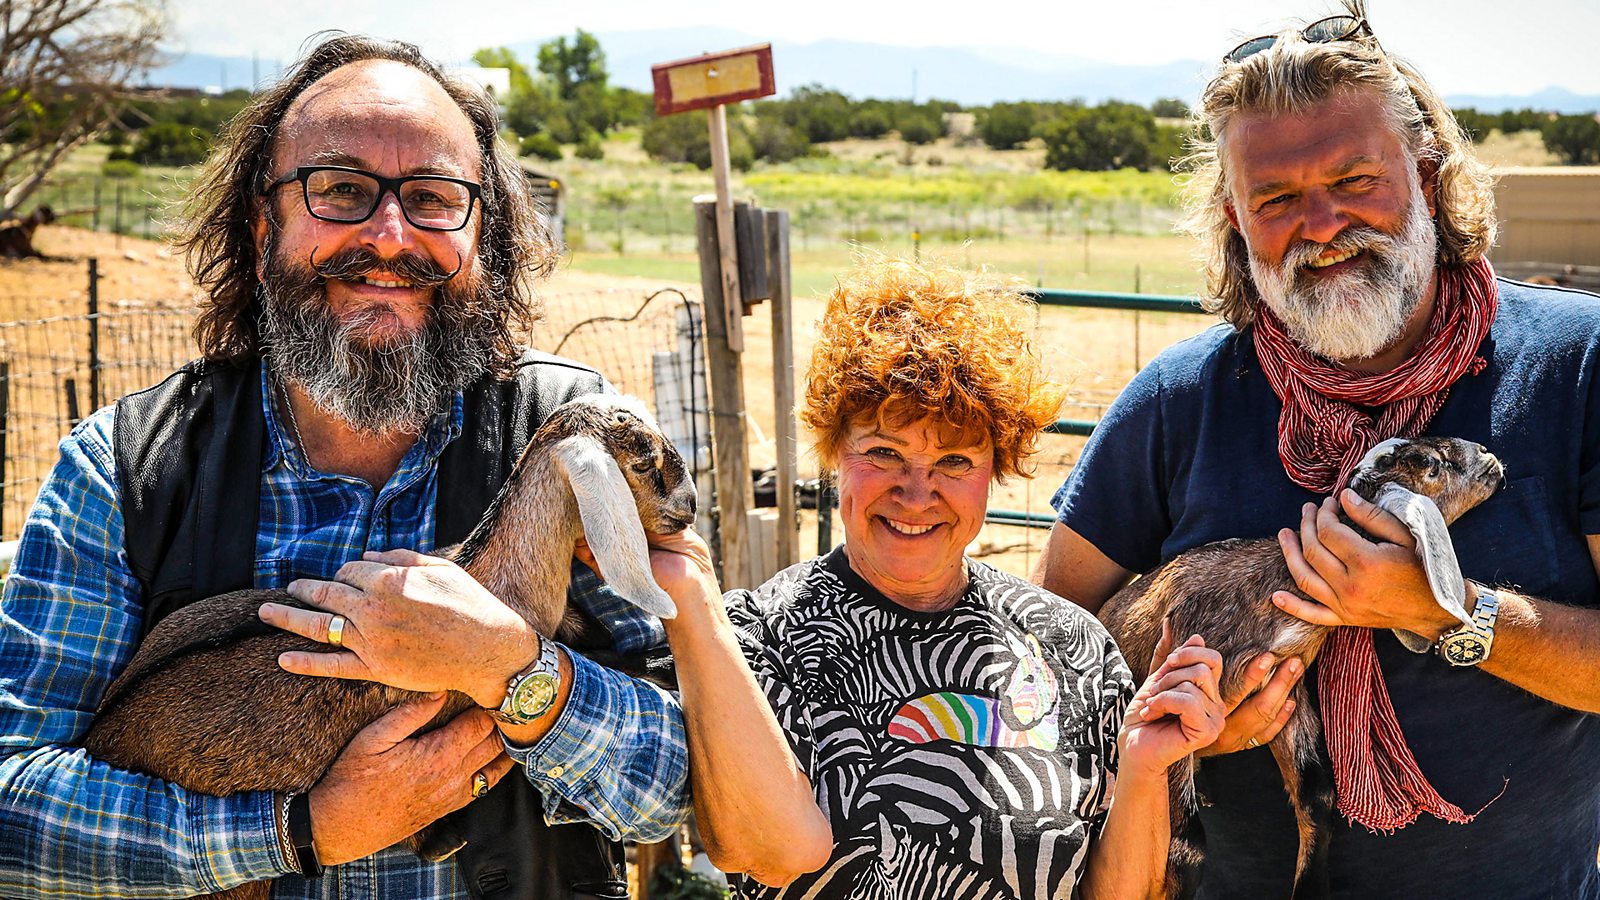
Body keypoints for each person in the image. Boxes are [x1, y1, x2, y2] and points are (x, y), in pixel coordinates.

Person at [0, 35, 820, 899]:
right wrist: (300, 830)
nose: (389, 237)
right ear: (261, 223)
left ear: (484, 236)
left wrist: (510, 667)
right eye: (342, 190)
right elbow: (15, 811)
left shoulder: (572, 442)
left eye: (432, 199)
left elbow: (677, 787)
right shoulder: (127, 467)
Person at [1036, 3, 1600, 897]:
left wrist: (1446, 613)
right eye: (1276, 198)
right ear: (1234, 218)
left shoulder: (1577, 368)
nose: (1322, 222)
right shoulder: (1177, 403)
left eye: (1354, 177)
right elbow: (1048, 665)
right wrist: (1185, 732)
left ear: (1425, 170)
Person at [701, 257, 1227, 899]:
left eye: (954, 460)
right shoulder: (755, 641)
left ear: (994, 467)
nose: (917, 494)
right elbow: (739, 846)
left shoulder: (1072, 646)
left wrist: (1144, 765)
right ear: (833, 450)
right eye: (884, 453)